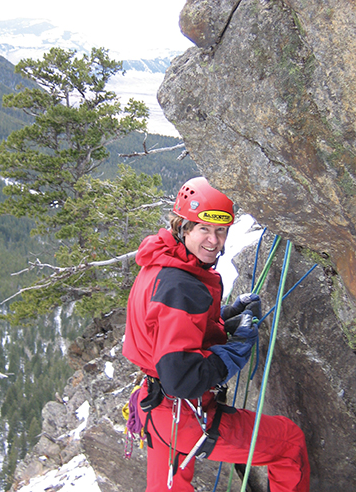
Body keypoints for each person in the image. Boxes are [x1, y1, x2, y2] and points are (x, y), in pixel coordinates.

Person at [123, 177, 310, 492]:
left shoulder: (160, 264)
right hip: (183, 414)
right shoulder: (181, 286)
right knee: (289, 443)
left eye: (220, 231)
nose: (214, 241)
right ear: (184, 229)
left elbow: (168, 326)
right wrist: (232, 352)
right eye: (203, 230)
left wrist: (224, 320)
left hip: (156, 410)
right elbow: (181, 379)